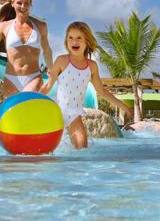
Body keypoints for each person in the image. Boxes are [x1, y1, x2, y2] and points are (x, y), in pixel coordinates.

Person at [39, 21, 132, 149]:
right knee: (46, 148)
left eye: (79, 38)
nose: (74, 41)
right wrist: (32, 99)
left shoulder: (92, 66)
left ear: (86, 41)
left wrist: (123, 106)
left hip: (74, 113)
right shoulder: (62, 60)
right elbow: (48, 85)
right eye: (70, 38)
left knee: (82, 148)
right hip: (56, 109)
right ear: (66, 42)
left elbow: (102, 92)